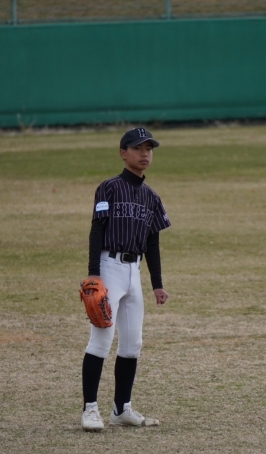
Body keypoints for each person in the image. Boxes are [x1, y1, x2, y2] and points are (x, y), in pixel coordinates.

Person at [81, 127, 171, 431]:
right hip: (109, 267)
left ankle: (122, 409)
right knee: (102, 340)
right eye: (138, 148)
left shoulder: (152, 197)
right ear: (123, 153)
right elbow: (96, 229)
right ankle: (90, 409)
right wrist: (94, 273)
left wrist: (157, 284)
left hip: (134, 272)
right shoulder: (109, 188)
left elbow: (153, 243)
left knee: (133, 343)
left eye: (149, 149)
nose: (145, 154)